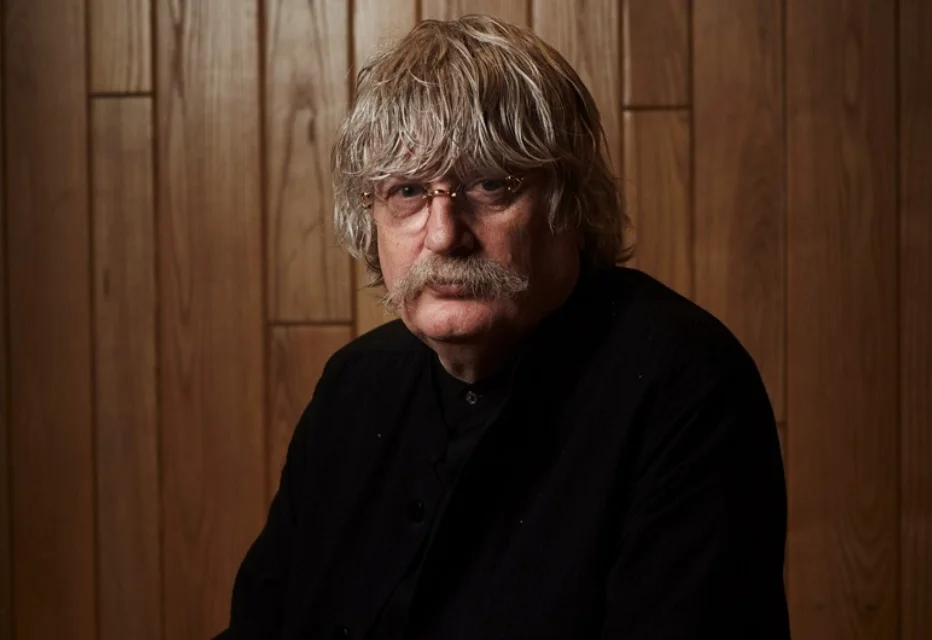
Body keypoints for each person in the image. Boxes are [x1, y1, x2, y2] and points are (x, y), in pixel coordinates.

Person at [217, 14, 789, 640]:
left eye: (490, 184)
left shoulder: (685, 384)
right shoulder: (355, 384)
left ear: (568, 201)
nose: (443, 235)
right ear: (370, 218)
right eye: (408, 191)